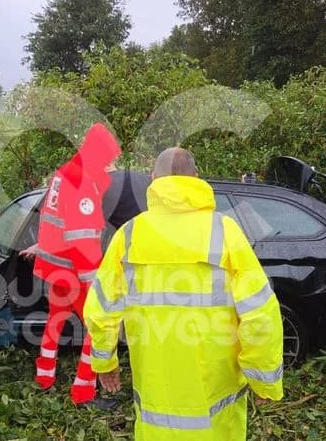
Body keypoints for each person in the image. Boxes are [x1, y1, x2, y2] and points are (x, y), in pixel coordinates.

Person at [84, 147, 284, 440]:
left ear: (153, 179)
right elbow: (260, 313)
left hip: (156, 392)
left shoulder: (128, 236)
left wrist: (105, 363)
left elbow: (101, 310)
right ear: (196, 178)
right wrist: (263, 380)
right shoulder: (225, 232)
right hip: (215, 400)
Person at [20, 122, 121, 409]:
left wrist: (41, 247)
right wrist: (95, 283)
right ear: (99, 154)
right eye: (109, 158)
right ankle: (84, 393)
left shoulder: (64, 174)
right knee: (96, 328)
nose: (112, 164)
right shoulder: (82, 184)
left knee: (56, 318)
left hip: (54, 266)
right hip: (74, 269)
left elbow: (55, 221)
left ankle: (44, 377)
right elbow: (82, 239)